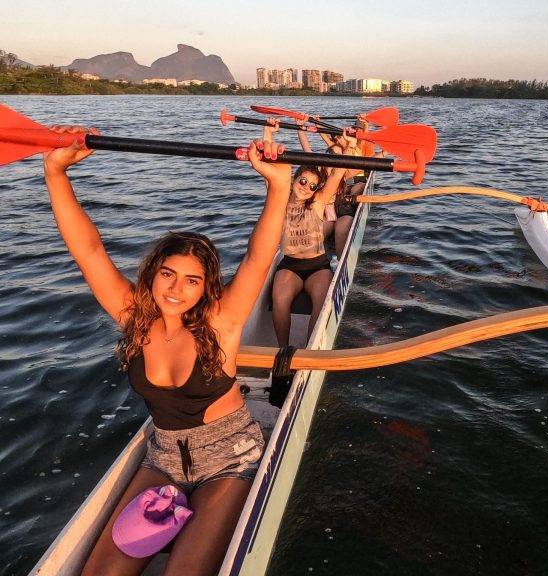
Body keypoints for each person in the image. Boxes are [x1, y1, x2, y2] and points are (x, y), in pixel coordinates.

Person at [42, 125, 291, 576]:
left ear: (206, 287)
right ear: (153, 273)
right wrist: (56, 173)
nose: (176, 289)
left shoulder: (222, 321)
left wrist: (278, 185)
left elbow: (259, 258)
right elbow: (89, 252)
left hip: (231, 456)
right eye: (168, 275)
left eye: (192, 280)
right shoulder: (134, 318)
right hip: (164, 457)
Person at [262, 121, 351, 346]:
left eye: (312, 186)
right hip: (289, 265)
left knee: (320, 306)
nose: (305, 187)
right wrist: (268, 133)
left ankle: (309, 352)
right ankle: (283, 351)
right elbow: (269, 166)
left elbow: (337, 173)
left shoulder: (318, 202)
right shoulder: (279, 199)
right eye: (303, 181)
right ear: (294, 179)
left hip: (317, 267)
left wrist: (349, 146)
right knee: (280, 300)